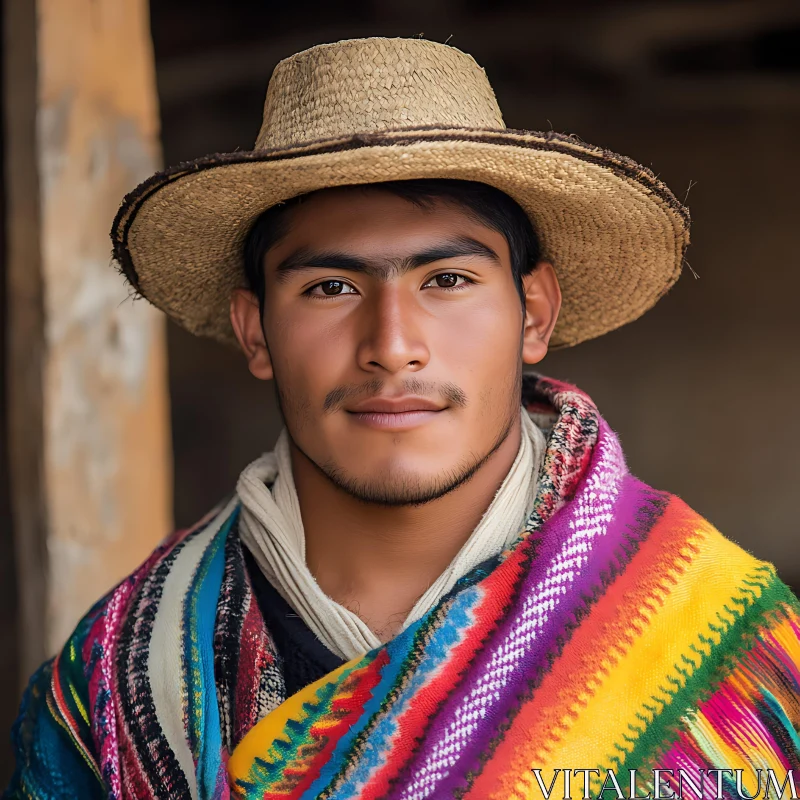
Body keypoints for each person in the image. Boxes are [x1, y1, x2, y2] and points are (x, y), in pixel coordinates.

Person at [6, 36, 800, 800]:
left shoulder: (726, 651)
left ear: (532, 313)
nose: (391, 347)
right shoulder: (122, 679)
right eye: (330, 288)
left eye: (447, 279)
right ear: (256, 332)